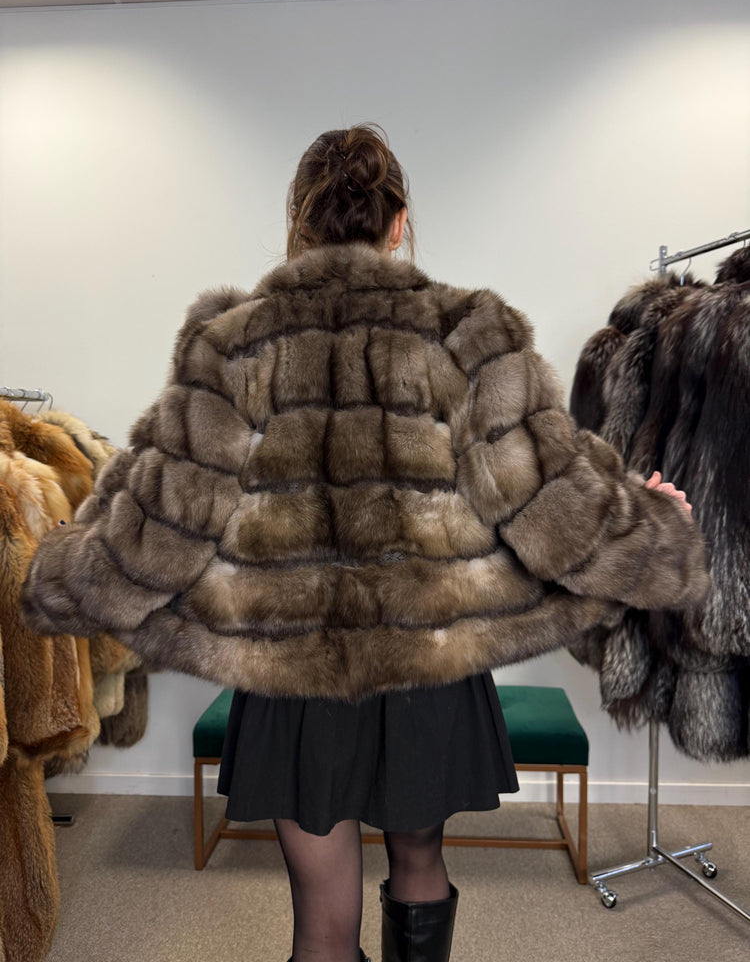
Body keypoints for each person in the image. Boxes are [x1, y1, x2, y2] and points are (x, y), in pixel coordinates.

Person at [21, 124, 707, 962]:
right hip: (428, 665)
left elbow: (163, 521)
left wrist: (64, 570)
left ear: (299, 223)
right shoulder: (466, 334)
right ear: (399, 223)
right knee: (420, 864)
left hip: (292, 675)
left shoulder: (233, 345)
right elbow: (549, 500)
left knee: (322, 920)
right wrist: (649, 521)